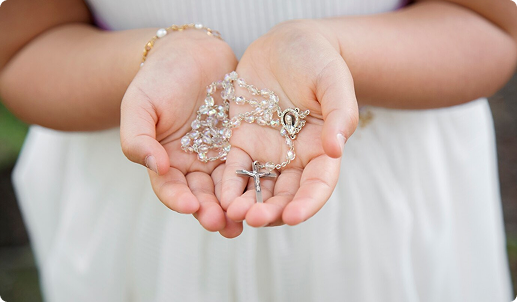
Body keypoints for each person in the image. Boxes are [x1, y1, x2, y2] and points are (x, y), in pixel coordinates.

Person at [0, 0, 516, 301]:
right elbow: (22, 48)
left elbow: (492, 24)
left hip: (388, 199)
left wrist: (332, 49)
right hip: (146, 177)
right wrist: (160, 55)